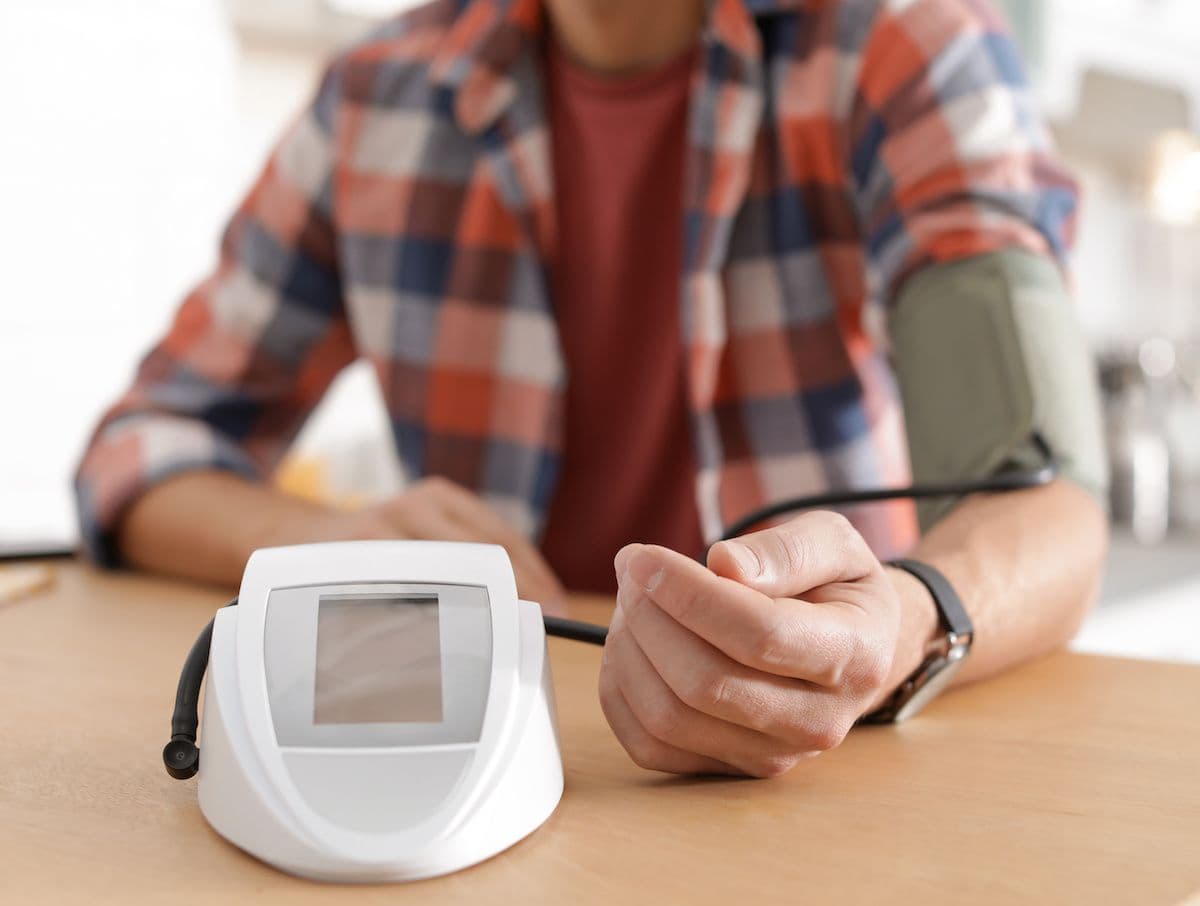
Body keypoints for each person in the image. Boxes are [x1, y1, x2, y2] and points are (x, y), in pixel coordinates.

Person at [76, 0, 1109, 778]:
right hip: (486, 755)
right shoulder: (372, 100)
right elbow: (139, 451)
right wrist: (338, 550)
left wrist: (895, 628)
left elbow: (1048, 500)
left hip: (823, 755)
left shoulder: (907, 48)